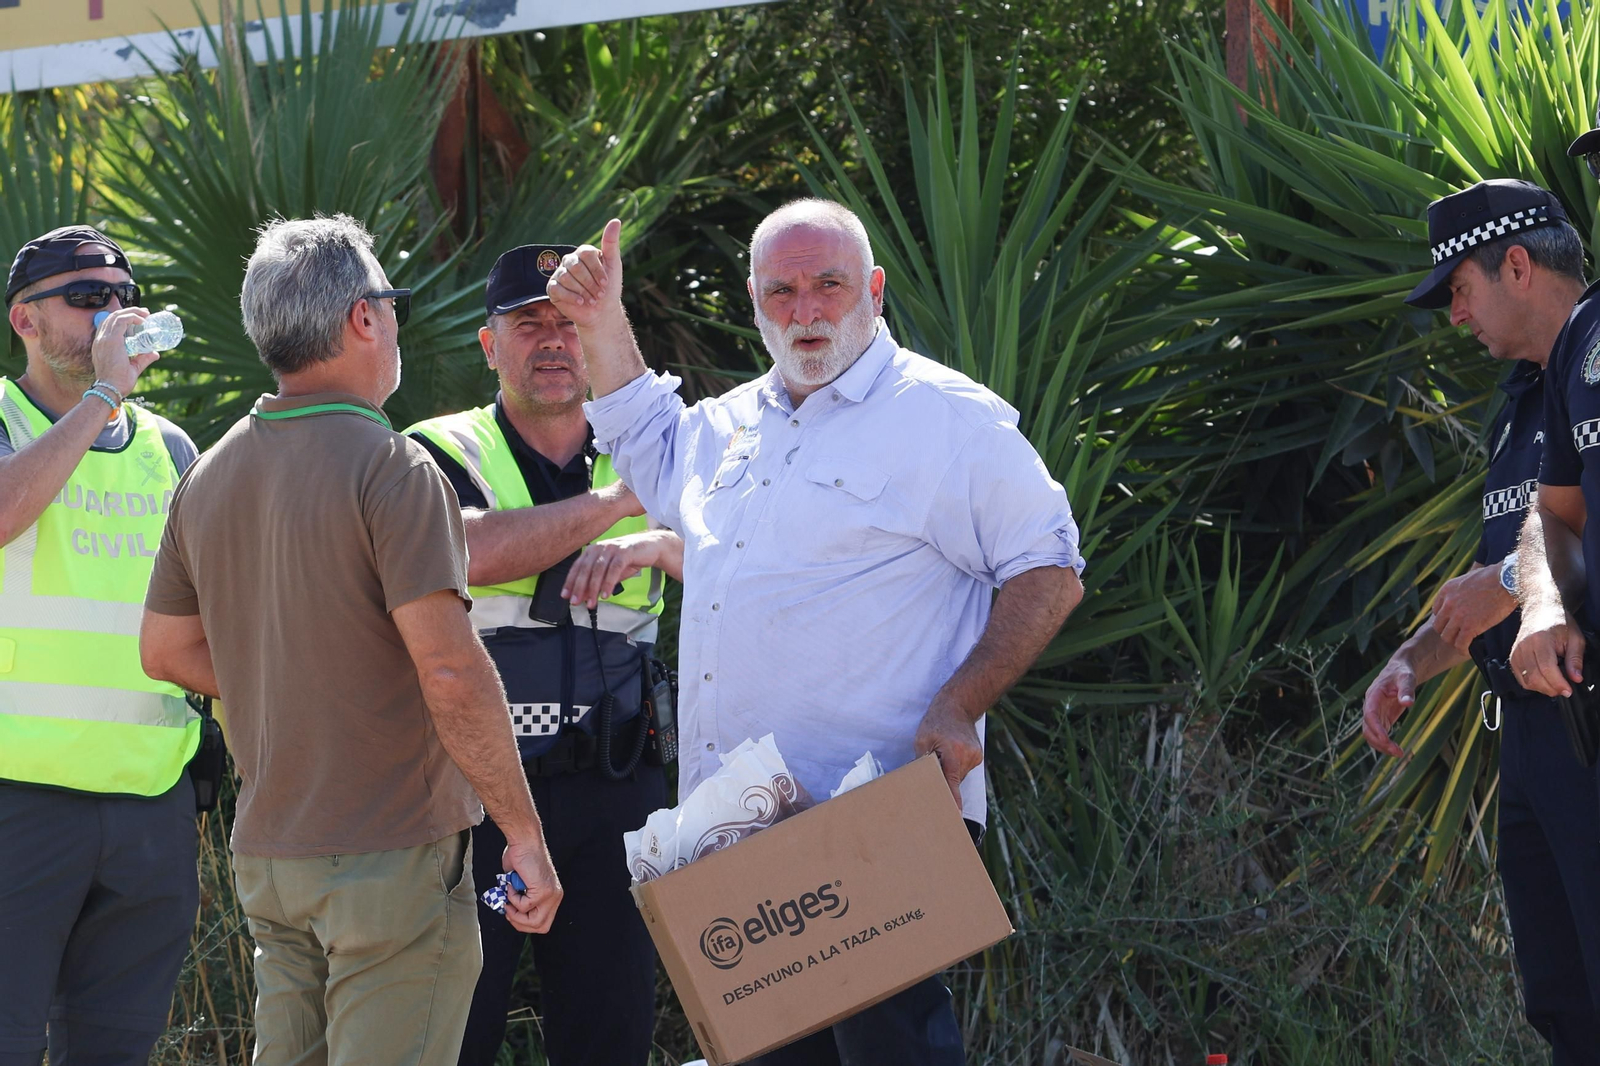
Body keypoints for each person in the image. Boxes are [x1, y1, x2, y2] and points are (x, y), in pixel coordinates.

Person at [547, 200, 1086, 1065]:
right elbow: (646, 439)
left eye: (828, 285)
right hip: (732, 825)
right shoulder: (728, 425)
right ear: (754, 305)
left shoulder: (946, 419)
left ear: (872, 290)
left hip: (873, 814)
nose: (805, 311)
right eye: (781, 291)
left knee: (891, 1055)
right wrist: (603, 318)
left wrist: (959, 707)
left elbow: (1051, 571)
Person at [137, 214, 562, 1066]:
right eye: (392, 305)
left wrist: (288, 677)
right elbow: (448, 668)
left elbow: (165, 652)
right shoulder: (393, 467)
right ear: (364, 317)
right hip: (392, 855)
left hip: (270, 854)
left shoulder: (208, 474)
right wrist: (524, 833)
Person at [404, 243, 684, 1066]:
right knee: (456, 1029)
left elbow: (757, 563)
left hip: (617, 790)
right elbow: (461, 550)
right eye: (530, 324)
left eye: (569, 324)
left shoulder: (660, 444)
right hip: (472, 793)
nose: (554, 341)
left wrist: (665, 548)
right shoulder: (435, 448)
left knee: (612, 1032)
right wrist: (622, 502)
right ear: (490, 346)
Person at [1360, 180, 1600, 1061]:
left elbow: (1528, 562)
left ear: (1517, 264)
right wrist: (1415, 660)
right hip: (1528, 739)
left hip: (1587, 716)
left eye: (1458, 289)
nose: (1455, 316)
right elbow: (1532, 549)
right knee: (1560, 1004)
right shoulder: (1515, 406)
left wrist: (1507, 582)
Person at [0, 226, 202, 1066]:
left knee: (116, 1052)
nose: (111, 316)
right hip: (19, 803)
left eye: (121, 298)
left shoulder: (171, 449)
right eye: (85, 300)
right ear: (26, 321)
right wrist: (101, 399)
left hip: (151, 808)